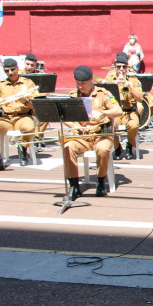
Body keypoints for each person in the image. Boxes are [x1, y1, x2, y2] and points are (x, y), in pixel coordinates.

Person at [61, 65, 123, 200]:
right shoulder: (72, 96)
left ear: (91, 79)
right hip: (82, 136)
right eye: (78, 84)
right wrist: (74, 126)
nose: (81, 87)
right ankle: (74, 185)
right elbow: (64, 117)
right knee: (68, 147)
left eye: (84, 83)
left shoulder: (103, 93)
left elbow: (118, 110)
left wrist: (102, 113)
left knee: (102, 149)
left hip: (101, 135)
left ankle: (101, 181)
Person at [0, 59, 38, 172]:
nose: (10, 73)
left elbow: (35, 106)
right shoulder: (0, 85)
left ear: (17, 68)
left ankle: (23, 150)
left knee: (29, 128)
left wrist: (24, 101)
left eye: (12, 69)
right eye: (7, 71)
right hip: (6, 117)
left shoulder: (28, 83)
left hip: (23, 116)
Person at [105, 54, 145, 161]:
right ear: (115, 67)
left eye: (123, 67)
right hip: (116, 111)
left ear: (127, 67)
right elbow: (104, 96)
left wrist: (130, 86)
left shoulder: (133, 79)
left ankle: (130, 146)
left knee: (133, 125)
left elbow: (140, 99)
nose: (121, 69)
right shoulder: (109, 79)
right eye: (118, 67)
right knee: (111, 126)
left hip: (130, 110)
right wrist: (114, 85)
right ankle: (117, 148)